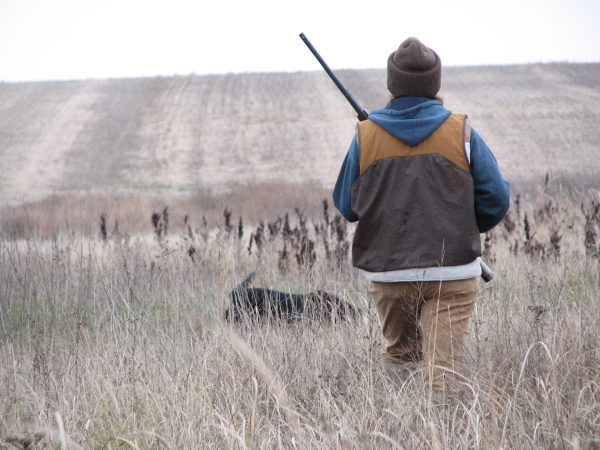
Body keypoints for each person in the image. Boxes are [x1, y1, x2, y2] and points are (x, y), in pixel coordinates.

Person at [332, 37, 510, 396]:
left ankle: (402, 432)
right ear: (435, 84)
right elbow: (496, 199)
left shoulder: (366, 137)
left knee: (402, 360)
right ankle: (443, 433)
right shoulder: (461, 131)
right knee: (443, 371)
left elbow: (346, 205)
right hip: (453, 271)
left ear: (391, 84)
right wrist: (461, 225)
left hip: (390, 273)